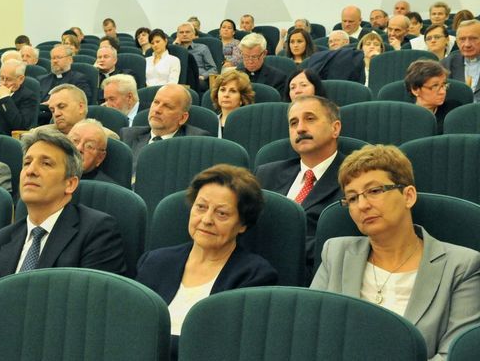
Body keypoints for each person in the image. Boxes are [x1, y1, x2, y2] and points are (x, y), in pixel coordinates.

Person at [310, 144, 480, 361]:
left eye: (374, 191)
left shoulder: (462, 266)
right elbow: (313, 333)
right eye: (352, 198)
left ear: (408, 196)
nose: (362, 205)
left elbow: (454, 354)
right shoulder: (336, 253)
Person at [136, 164, 278, 355]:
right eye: (201, 207)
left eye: (222, 213)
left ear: (242, 224)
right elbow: (131, 327)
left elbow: (227, 347)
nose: (206, 220)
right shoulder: (154, 262)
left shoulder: (255, 276)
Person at [0, 128, 127, 298]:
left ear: (70, 184)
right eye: (27, 163)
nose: (31, 171)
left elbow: (92, 305)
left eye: (46, 163)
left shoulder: (97, 232)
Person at [256, 96, 344, 274]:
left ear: (335, 128)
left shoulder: (354, 178)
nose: (300, 128)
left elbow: (339, 245)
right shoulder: (266, 174)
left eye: (310, 119)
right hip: (256, 273)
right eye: (293, 123)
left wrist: (273, 242)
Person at [120, 84, 210, 170]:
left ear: (182, 118)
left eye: (167, 106)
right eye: (156, 102)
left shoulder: (195, 142)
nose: (157, 110)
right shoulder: (129, 136)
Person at [0, 59, 39, 135]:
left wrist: (4, 98)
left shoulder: (28, 97)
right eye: (2, 78)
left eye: (9, 79)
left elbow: (20, 126)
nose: (4, 83)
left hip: (1, 138)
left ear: (21, 79)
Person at [405, 60, 458, 135]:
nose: (442, 92)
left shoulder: (454, 110)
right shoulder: (405, 118)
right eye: (435, 86)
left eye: (443, 85)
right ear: (415, 90)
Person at [68, 119, 115, 183]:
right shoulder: (54, 174)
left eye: (89, 146)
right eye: (75, 140)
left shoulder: (104, 187)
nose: (78, 148)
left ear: (100, 157)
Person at [442, 20, 480, 99]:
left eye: (473, 38)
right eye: (462, 39)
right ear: (457, 42)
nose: (467, 44)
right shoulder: (446, 64)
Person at [211, 70, 254, 137]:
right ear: (217, 95)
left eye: (233, 91)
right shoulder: (210, 123)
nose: (226, 95)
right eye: (222, 90)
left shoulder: (250, 125)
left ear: (242, 98)